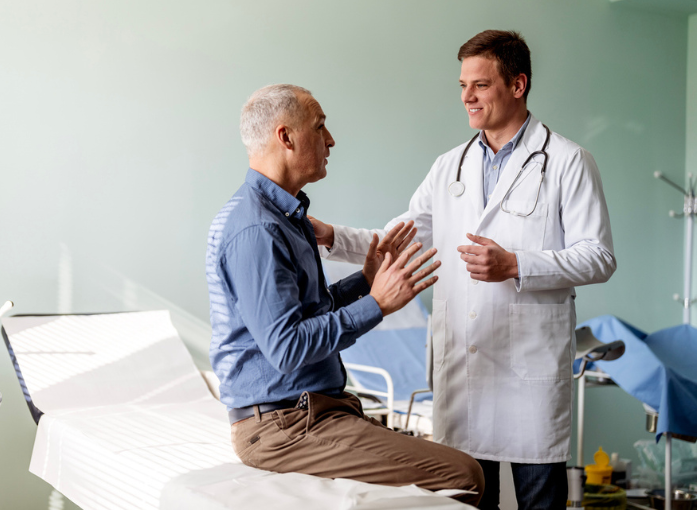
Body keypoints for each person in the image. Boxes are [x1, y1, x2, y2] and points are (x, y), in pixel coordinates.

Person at [310, 31, 616, 509]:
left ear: (518, 85)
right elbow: (397, 238)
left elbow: (598, 256)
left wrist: (516, 264)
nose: (466, 98)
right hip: (465, 367)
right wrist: (332, 236)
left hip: (527, 369)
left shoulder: (567, 161)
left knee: (539, 499)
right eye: (462, 85)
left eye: (480, 85)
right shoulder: (449, 166)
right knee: (465, 497)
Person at [206, 84, 485, 506]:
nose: (331, 139)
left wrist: (365, 281)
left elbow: (308, 312)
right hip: (284, 427)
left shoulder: (287, 216)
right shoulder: (257, 229)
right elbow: (286, 347)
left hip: (314, 411)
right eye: (320, 128)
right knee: (464, 474)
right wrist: (377, 305)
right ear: (286, 137)